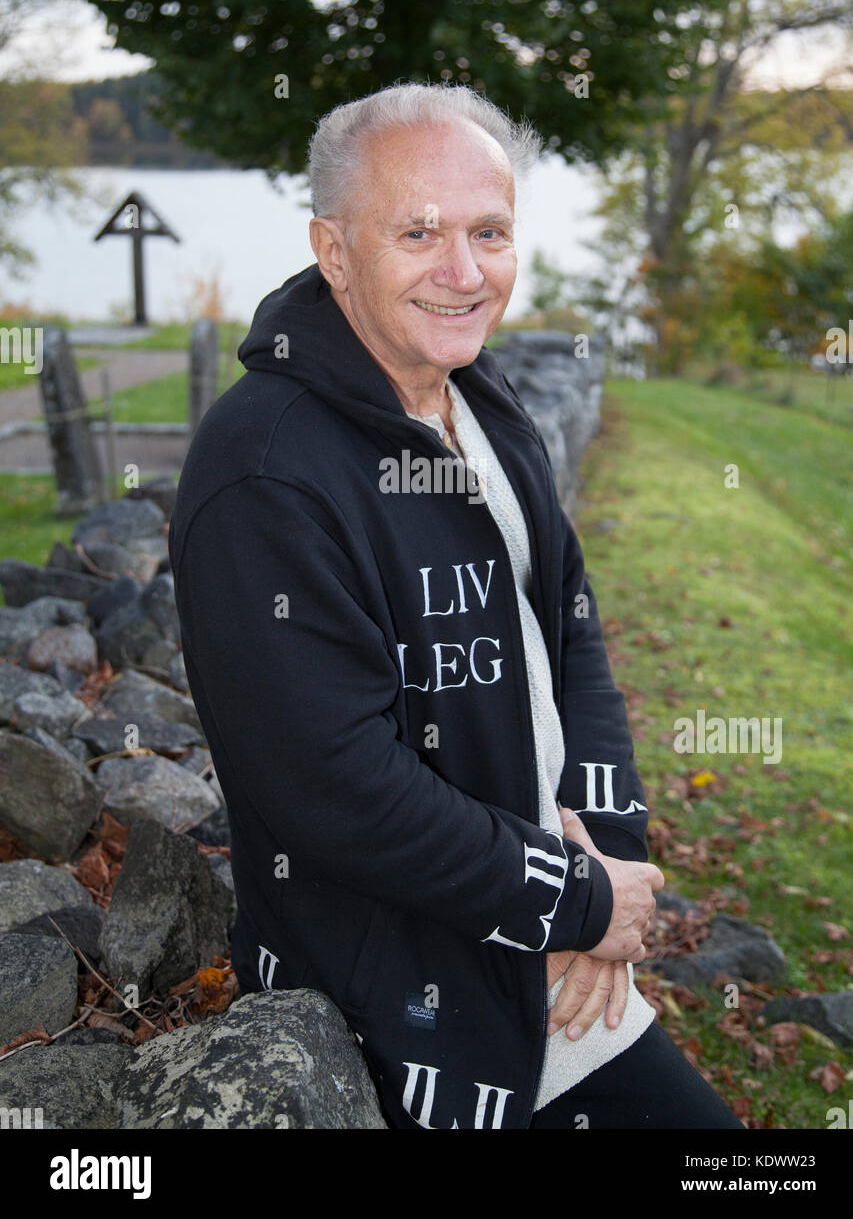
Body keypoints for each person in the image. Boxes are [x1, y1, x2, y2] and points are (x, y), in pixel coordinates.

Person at [168, 81, 744, 1130]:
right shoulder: (264, 474)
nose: (463, 271)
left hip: (556, 956)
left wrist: (608, 856)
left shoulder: (480, 400)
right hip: (408, 1003)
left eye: (489, 231)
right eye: (418, 231)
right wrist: (570, 900)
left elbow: (569, 633)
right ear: (333, 250)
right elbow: (336, 792)